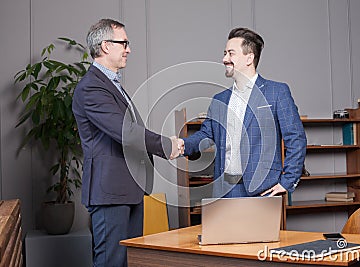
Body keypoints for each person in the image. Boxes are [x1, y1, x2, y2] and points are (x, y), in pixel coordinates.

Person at [72, 18, 181, 267]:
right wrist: (168, 145)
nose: (128, 49)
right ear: (106, 46)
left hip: (128, 189)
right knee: (113, 261)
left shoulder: (110, 84)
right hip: (110, 193)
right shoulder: (91, 87)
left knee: (130, 261)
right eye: (124, 43)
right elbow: (127, 133)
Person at [182, 27, 307, 198]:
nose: (224, 59)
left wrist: (288, 181)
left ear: (249, 58)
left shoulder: (277, 92)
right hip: (225, 189)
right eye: (224, 53)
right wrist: (181, 145)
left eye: (231, 53)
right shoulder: (220, 99)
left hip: (264, 190)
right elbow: (205, 135)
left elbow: (296, 138)